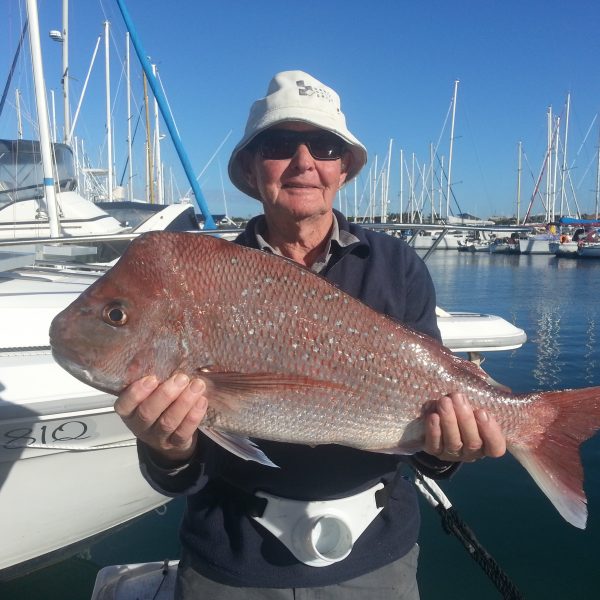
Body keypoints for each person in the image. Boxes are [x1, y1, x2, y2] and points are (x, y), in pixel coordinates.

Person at [115, 70, 506, 599]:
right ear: (253, 170)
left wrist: (449, 449)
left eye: (323, 146)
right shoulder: (204, 277)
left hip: (376, 560)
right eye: (278, 144)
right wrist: (168, 450)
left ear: (343, 168)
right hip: (231, 562)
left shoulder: (396, 267)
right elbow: (178, 477)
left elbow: (425, 442)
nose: (304, 162)